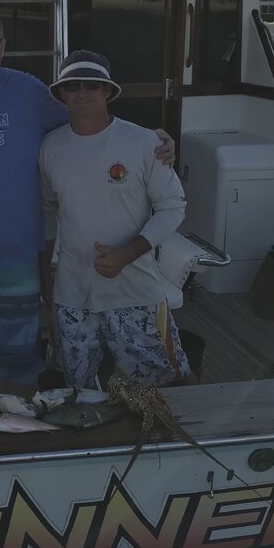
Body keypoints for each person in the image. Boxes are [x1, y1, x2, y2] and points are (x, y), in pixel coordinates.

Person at [0, 3, 176, 399]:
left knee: (20, 375)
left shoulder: (29, 92)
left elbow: (89, 121)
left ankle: (20, 434)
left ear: (2, 47)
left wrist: (151, 139)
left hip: (17, 264)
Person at [39, 50, 191, 389]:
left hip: (135, 293)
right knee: (79, 393)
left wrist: (128, 253)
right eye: (72, 86)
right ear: (62, 93)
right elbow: (47, 212)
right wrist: (46, 281)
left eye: (92, 85)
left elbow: (173, 206)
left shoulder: (145, 142)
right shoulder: (49, 147)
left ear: (107, 90)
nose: (82, 92)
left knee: (170, 388)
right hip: (72, 297)